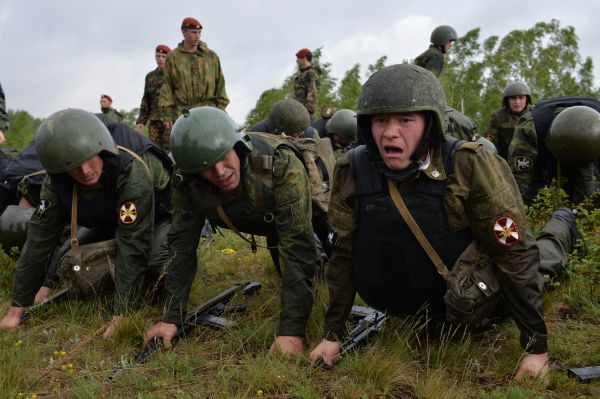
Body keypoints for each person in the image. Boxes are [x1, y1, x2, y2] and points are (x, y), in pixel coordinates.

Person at [308, 64, 579, 382]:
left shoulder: (469, 165)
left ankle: (565, 220)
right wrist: (332, 334)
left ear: (429, 124)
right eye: (380, 120)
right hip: (404, 302)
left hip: (474, 293)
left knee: (541, 261)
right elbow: (342, 255)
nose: (390, 132)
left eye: (405, 120)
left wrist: (535, 349)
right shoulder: (351, 169)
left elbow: (514, 253)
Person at [144, 106, 318, 356]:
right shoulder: (187, 182)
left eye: (223, 157)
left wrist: (291, 333)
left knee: (316, 268)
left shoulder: (279, 163)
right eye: (207, 167)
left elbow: (298, 247)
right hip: (260, 216)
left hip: (306, 213)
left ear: (238, 145)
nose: (220, 172)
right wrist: (171, 318)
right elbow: (181, 247)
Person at [0, 109, 173, 337]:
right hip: (110, 217)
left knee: (155, 259)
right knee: (69, 258)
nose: (85, 172)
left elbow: (133, 244)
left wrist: (121, 315)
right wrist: (15, 310)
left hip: (157, 218)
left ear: (101, 148)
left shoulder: (130, 171)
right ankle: (45, 289)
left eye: (88, 159)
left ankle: (137, 291)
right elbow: (38, 241)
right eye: (73, 166)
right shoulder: (55, 182)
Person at [509, 98, 599, 205]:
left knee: (589, 199)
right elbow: (520, 180)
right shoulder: (529, 128)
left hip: (590, 157)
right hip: (542, 157)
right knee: (530, 199)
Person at [159, 17, 229, 130]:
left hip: (209, 112)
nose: (197, 36)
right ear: (184, 32)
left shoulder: (211, 57)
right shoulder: (173, 58)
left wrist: (220, 110)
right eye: (193, 32)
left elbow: (220, 86)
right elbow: (167, 88)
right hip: (184, 115)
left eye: (199, 32)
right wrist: (166, 115)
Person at [136, 44, 172, 151]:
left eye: (164, 56)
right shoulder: (150, 77)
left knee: (171, 152)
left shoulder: (175, 76)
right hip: (154, 122)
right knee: (155, 151)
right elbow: (146, 100)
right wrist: (141, 121)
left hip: (171, 121)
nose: (160, 59)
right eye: (158, 56)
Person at [486, 82, 532, 160]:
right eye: (513, 98)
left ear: (527, 99)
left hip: (532, 162)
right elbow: (490, 142)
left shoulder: (535, 114)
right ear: (507, 100)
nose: (517, 102)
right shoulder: (498, 117)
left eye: (521, 98)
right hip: (505, 162)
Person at [293, 48, 321, 118]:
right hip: (297, 112)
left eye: (298, 58)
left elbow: (313, 93)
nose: (296, 61)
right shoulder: (302, 74)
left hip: (304, 115)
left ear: (304, 58)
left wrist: (307, 112)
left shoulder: (311, 73)